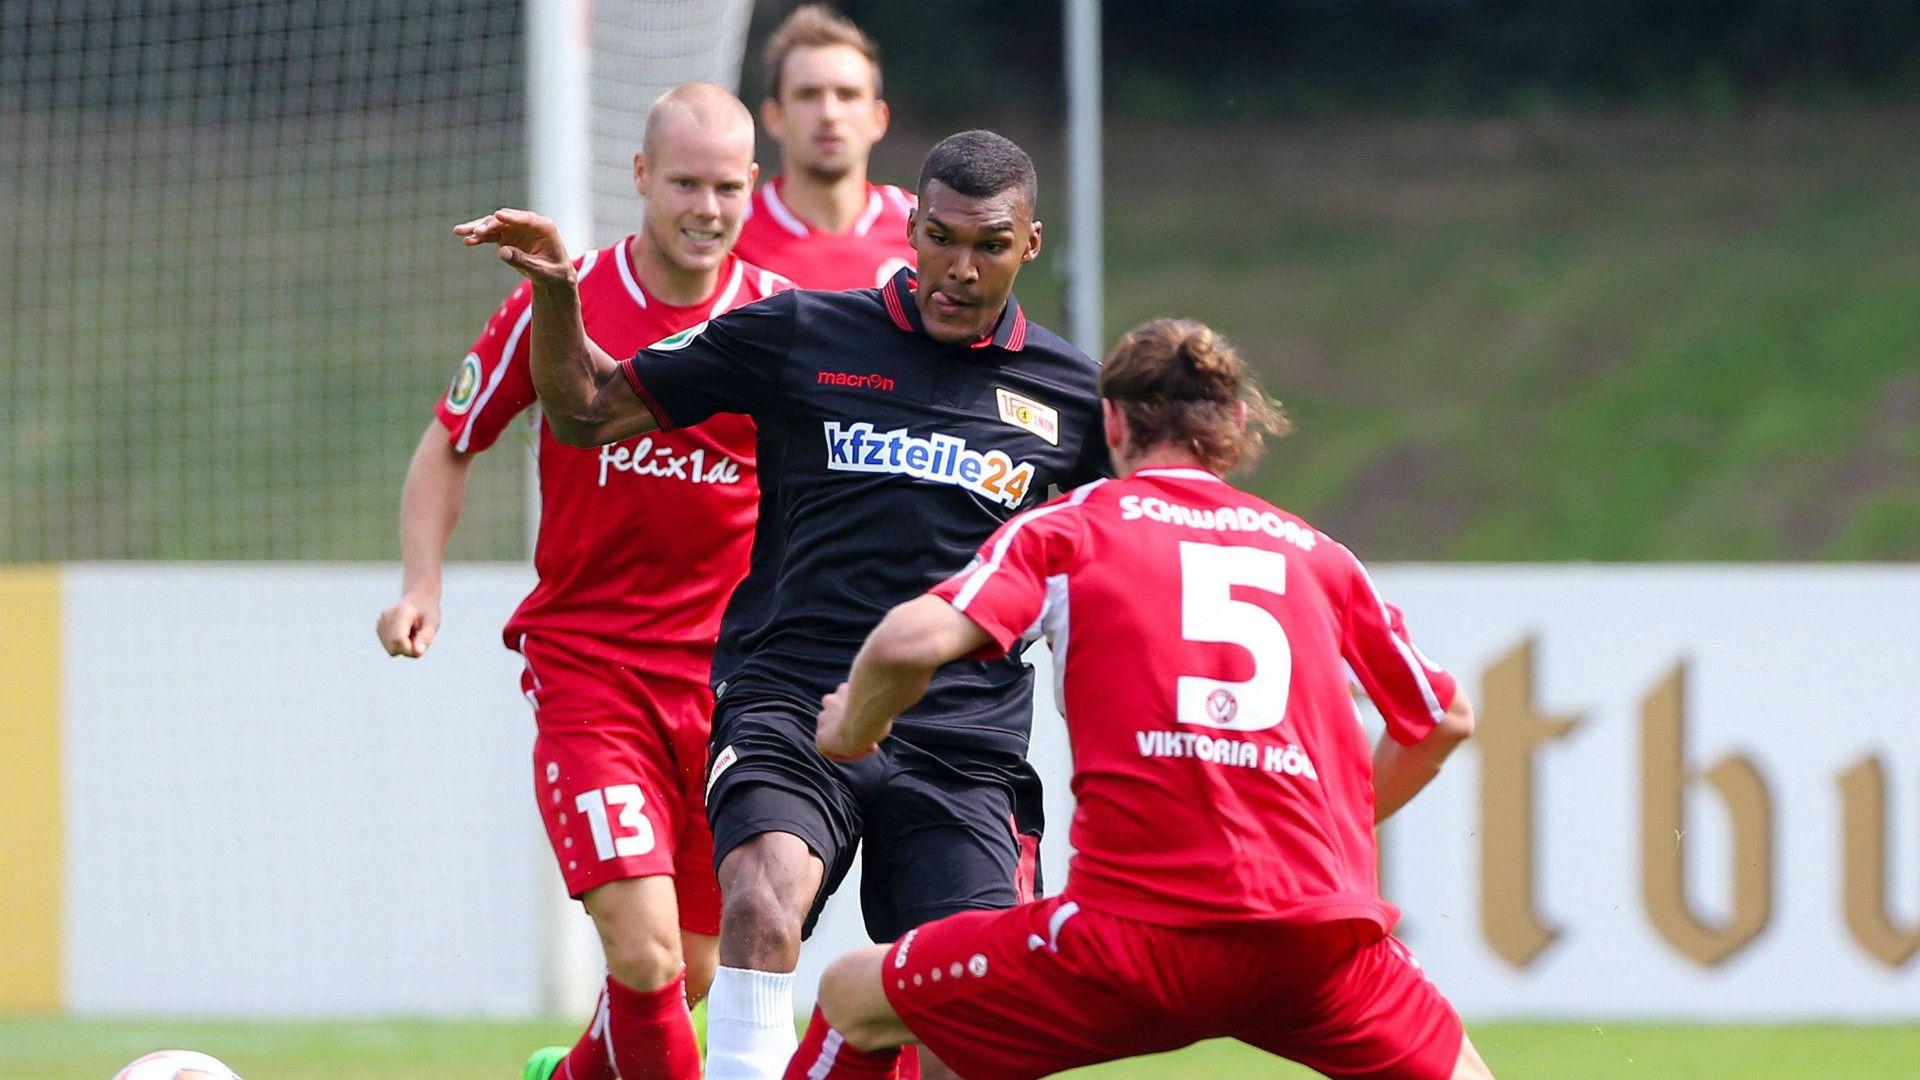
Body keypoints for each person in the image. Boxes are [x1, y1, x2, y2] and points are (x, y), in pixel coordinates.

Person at [453, 129, 1108, 1080]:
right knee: (760, 900)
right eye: (941, 238)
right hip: (792, 704)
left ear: (1030, 245)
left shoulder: (1073, 397)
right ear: (911, 227)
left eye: (991, 246)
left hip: (966, 746)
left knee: (970, 1018)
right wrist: (561, 294)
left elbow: (1151, 533)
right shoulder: (803, 330)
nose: (959, 270)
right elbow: (585, 409)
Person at [783, 318, 1496, 1080]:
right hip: (1316, 949)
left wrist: (853, 728)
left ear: (1114, 420)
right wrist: (1339, 820)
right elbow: (1444, 720)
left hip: (1128, 948)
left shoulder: (1071, 530)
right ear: (1238, 423)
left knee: (851, 997)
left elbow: (904, 644)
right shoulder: (1319, 556)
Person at [375, 83, 789, 1080]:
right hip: (591, 676)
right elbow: (449, 440)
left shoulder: (783, 323)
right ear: (640, 177)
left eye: (727, 186)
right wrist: (420, 587)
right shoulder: (557, 301)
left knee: (691, 971)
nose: (706, 207)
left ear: (752, 188)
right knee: (643, 956)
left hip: (732, 689)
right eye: (684, 181)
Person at [735, 4, 916, 290]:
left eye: (848, 95)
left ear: (878, 119)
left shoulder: (924, 229)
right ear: (773, 117)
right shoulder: (730, 235)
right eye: (808, 95)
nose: (829, 114)